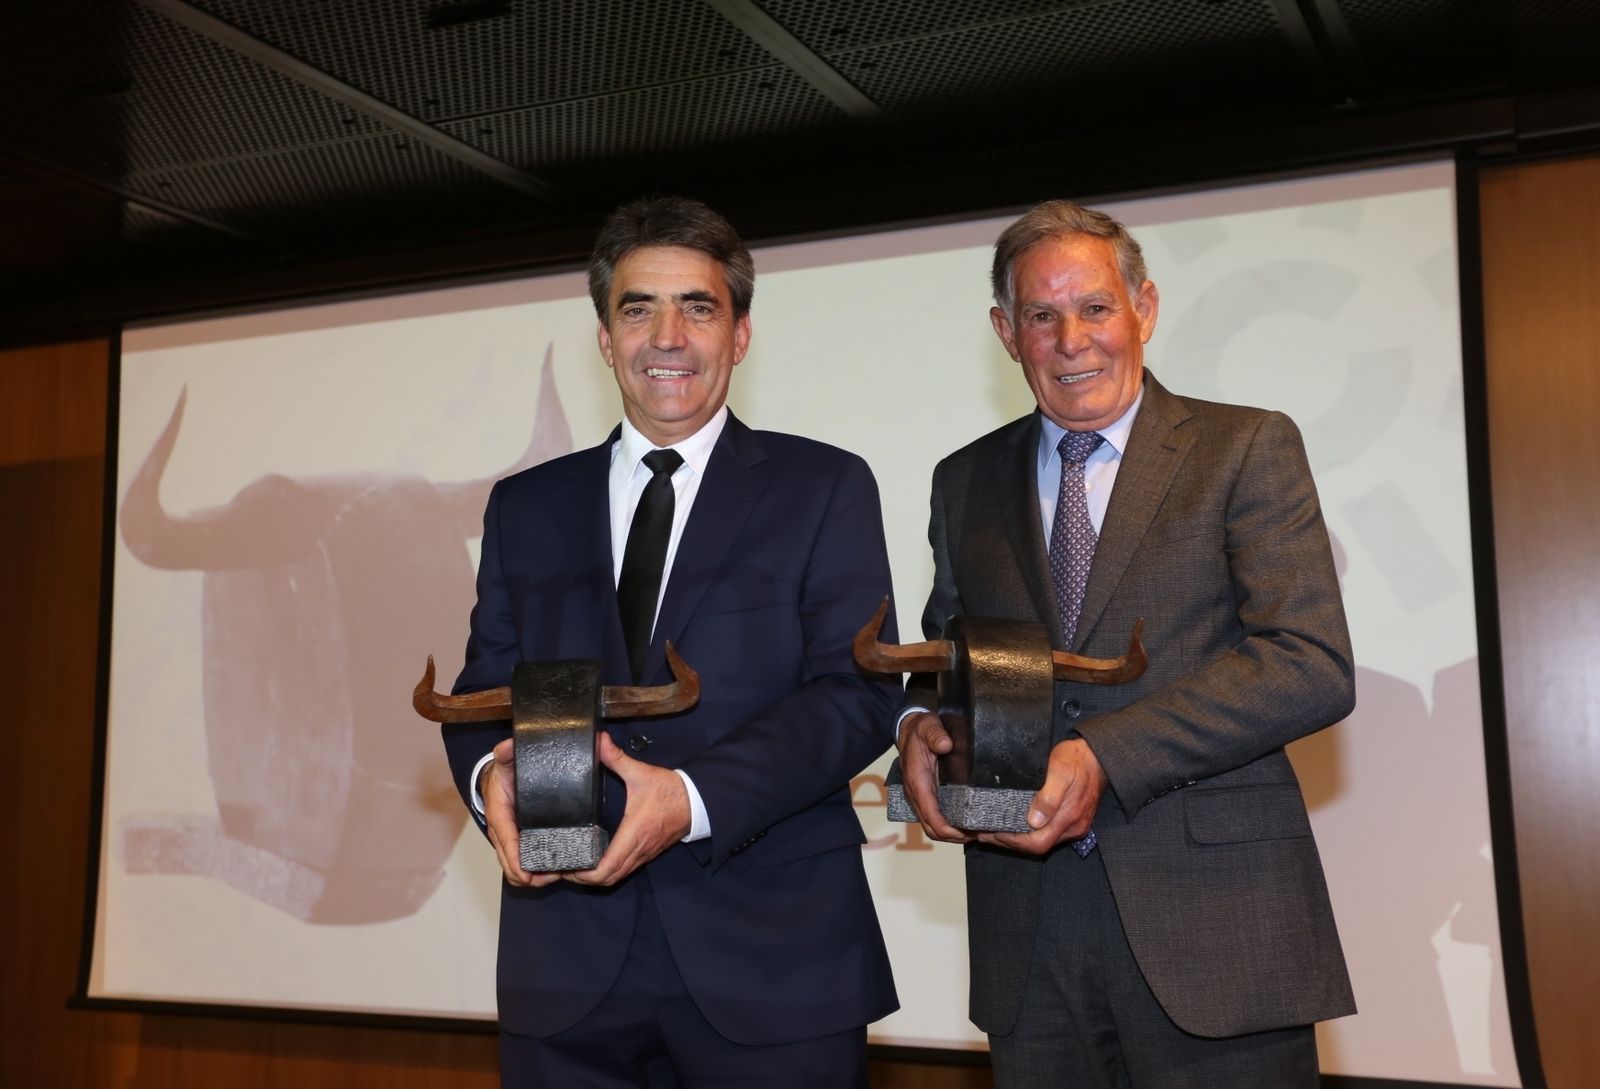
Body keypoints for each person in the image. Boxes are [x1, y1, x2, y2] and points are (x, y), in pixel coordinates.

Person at [897, 199, 1356, 1088]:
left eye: (1096, 308)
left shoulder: (1245, 446)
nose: (1073, 339)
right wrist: (919, 724)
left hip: (1216, 932)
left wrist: (1104, 752)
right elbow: (947, 653)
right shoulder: (963, 481)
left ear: (1143, 308)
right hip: (1027, 941)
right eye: (1042, 315)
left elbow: (1309, 661)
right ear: (1006, 330)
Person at [443, 196, 900, 1087]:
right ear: (606, 339)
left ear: (740, 335)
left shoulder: (825, 486)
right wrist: (490, 775)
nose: (668, 336)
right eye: (637, 308)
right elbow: (483, 691)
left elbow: (859, 691)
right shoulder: (525, 507)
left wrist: (689, 798)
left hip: (776, 963)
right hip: (563, 964)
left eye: (698, 306)